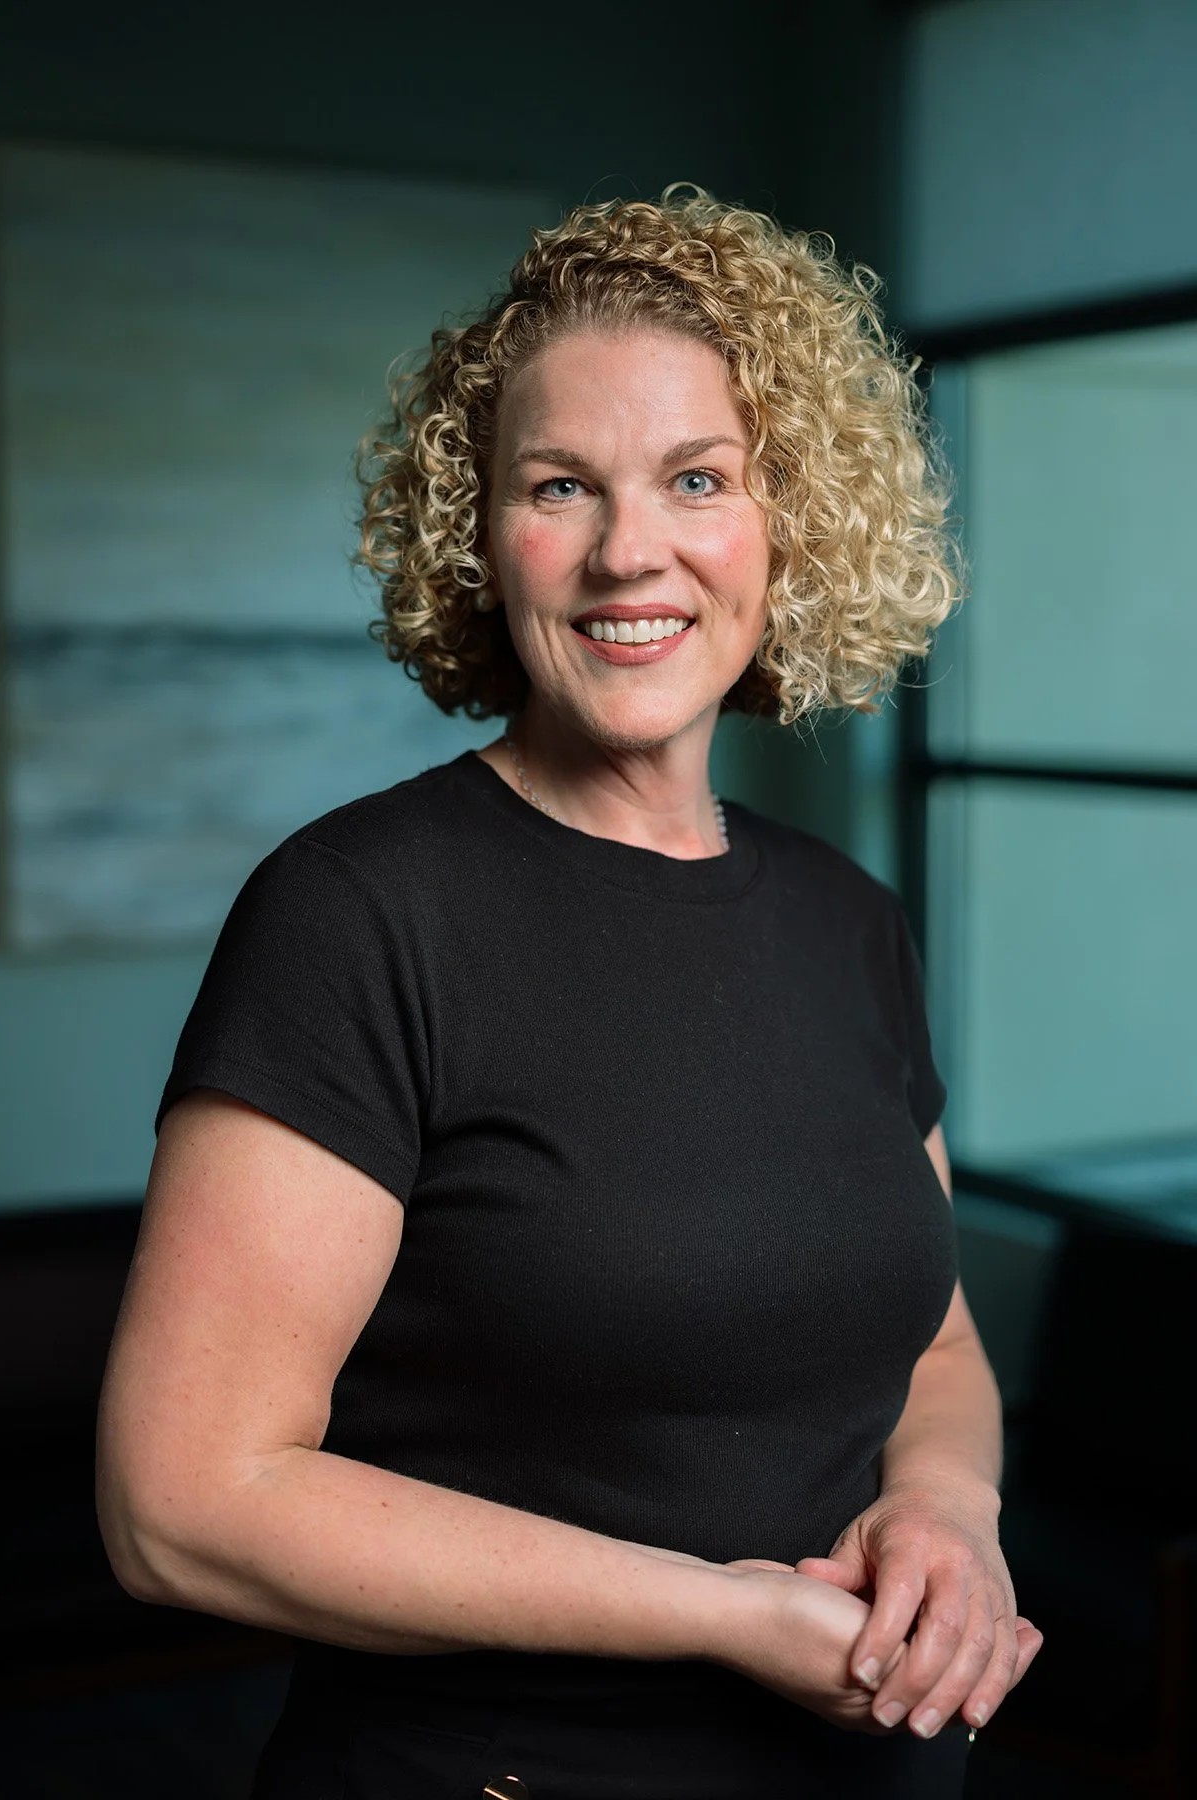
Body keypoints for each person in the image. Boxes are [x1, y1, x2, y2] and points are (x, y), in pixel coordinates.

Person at [97, 186, 1041, 1799]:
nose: (629, 551)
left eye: (698, 479)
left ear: (787, 520)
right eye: (560, 487)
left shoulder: (847, 922)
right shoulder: (358, 916)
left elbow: (932, 1340)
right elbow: (182, 1503)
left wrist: (951, 1511)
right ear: (478, 533)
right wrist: (719, 1619)